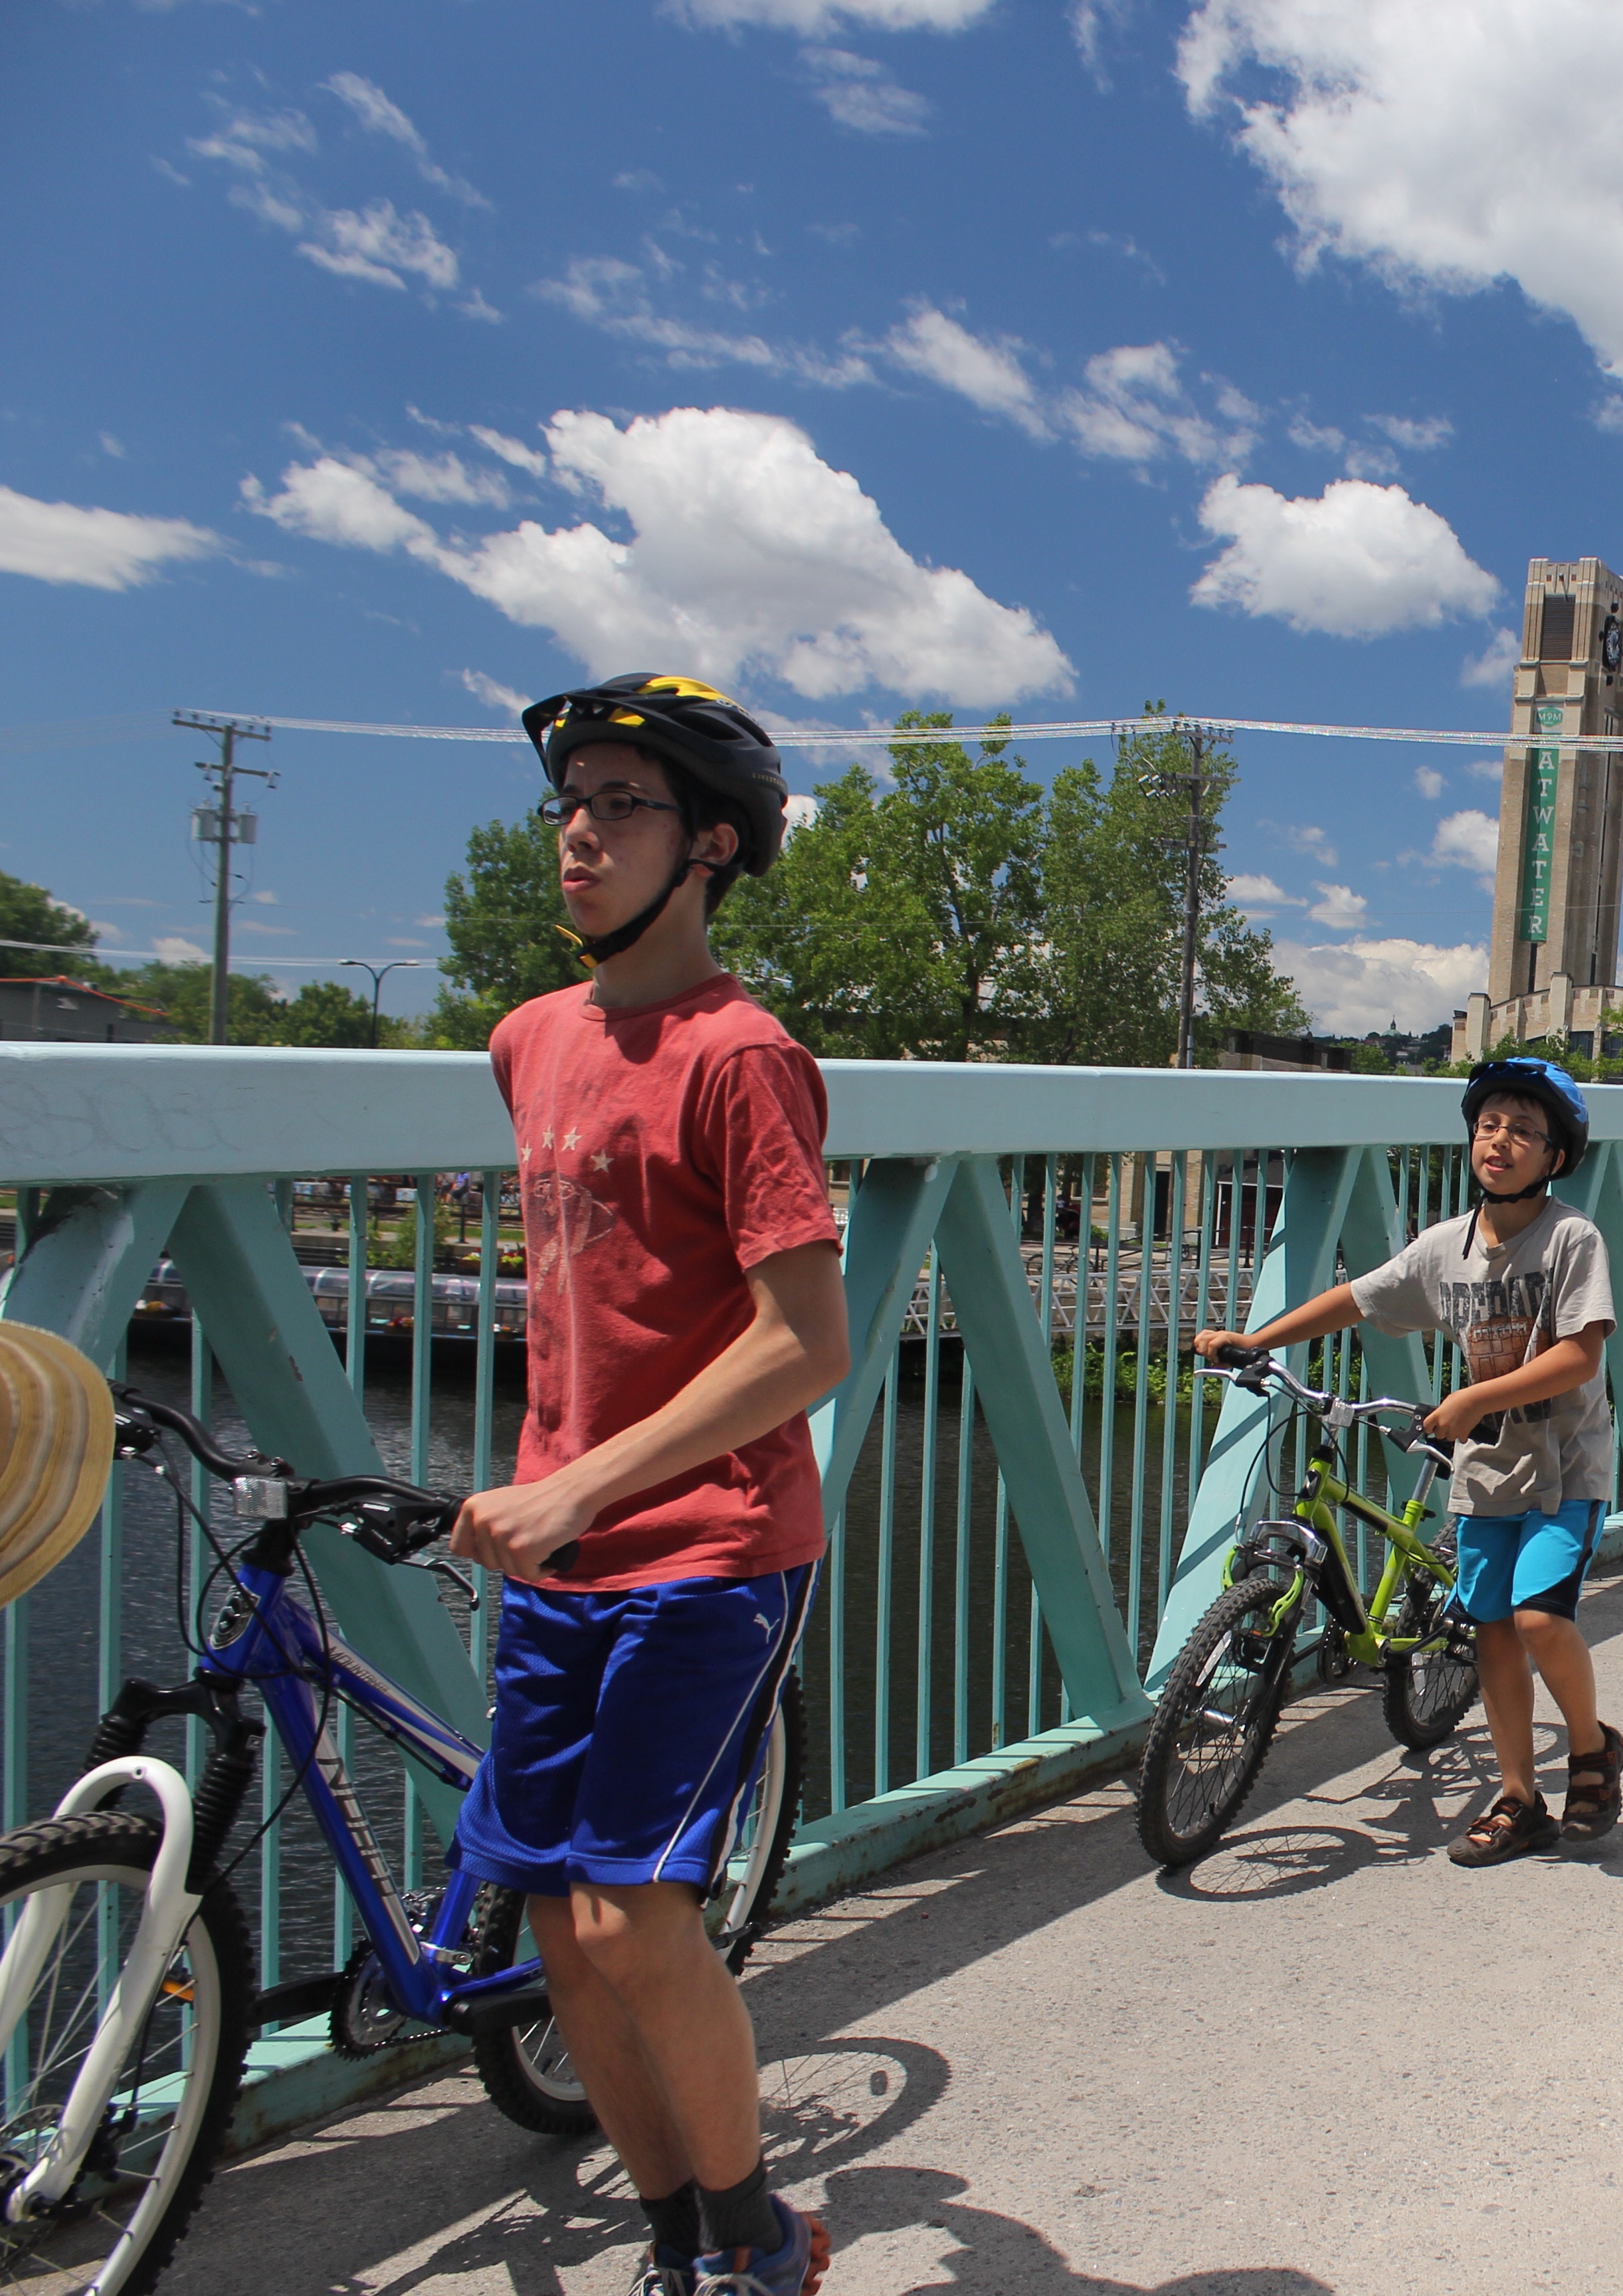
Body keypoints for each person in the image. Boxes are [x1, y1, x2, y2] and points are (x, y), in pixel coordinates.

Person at [448, 675, 849, 2296]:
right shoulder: (527, 1037)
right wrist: (553, 1496)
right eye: (572, 801)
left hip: (713, 1543)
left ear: (712, 846)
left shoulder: (745, 1056)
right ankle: (675, 2230)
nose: (579, 832)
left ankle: (761, 2230)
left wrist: (577, 1484)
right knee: (554, 1920)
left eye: (623, 804)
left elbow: (803, 1342)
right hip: (567, 1549)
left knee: (631, 1915)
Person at [1193, 1058, 1622, 1866]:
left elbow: (1578, 1357)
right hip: (1488, 1470)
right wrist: (1257, 1339)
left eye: (1525, 1131)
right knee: (1491, 1633)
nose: (1501, 1140)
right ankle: (1520, 1799)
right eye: (1490, 1124)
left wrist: (1475, 1400)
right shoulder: (1445, 1247)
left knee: (1537, 1617)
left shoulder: (1570, 1236)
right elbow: (1359, 1298)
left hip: (1567, 1467)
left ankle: (1594, 1748)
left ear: (1556, 1156)